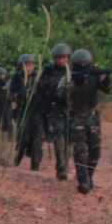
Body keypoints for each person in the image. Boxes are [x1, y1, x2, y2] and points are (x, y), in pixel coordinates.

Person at [62, 48, 112, 193]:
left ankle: (89, 177)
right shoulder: (69, 77)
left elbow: (107, 89)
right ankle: (83, 181)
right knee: (80, 151)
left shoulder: (94, 75)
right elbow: (60, 94)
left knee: (95, 151)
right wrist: (74, 84)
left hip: (92, 117)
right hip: (76, 117)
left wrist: (105, 78)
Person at [36, 43, 74, 181]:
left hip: (70, 110)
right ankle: (62, 168)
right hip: (55, 108)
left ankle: (63, 166)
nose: (61, 60)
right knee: (59, 138)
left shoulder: (73, 70)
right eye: (58, 58)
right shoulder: (49, 70)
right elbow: (41, 87)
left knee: (69, 140)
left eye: (64, 57)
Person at [9, 53, 42, 168]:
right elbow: (11, 93)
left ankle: (35, 166)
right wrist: (18, 96)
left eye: (31, 64)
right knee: (23, 138)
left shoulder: (38, 77)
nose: (29, 67)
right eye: (27, 65)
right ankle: (16, 160)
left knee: (37, 139)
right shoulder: (16, 78)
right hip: (22, 112)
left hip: (36, 112)